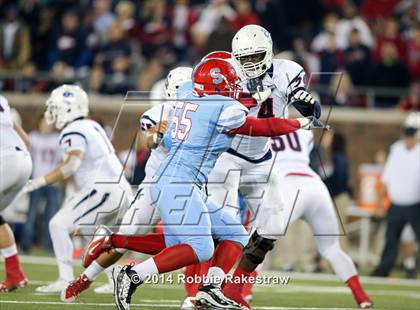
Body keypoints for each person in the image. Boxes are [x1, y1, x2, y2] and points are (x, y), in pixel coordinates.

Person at [82, 58, 319, 310]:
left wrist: (258, 96)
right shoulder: (221, 110)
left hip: (178, 181)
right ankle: (131, 277)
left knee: (235, 233)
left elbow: (237, 102)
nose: (235, 86)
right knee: (201, 247)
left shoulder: (188, 95)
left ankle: (210, 289)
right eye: (229, 83)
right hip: (177, 185)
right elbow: (260, 127)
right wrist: (300, 123)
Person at [204, 24, 323, 307]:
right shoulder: (226, 72)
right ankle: (207, 289)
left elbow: (312, 111)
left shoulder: (287, 70)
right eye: (244, 59)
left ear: (269, 52)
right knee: (226, 228)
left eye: (256, 57)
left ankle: (232, 292)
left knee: (272, 226)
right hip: (226, 156)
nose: (249, 64)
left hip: (262, 161)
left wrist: (306, 103)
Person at [61, 66, 194, 300]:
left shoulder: (203, 112)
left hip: (186, 186)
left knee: (189, 242)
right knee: (129, 235)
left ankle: (198, 291)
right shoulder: (159, 112)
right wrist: (156, 134)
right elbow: (148, 141)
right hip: (156, 184)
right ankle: (84, 280)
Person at [225, 130, 373, 309]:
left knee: (259, 239)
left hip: (287, 184)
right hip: (314, 185)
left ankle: (243, 291)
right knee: (332, 248)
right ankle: (362, 297)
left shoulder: (261, 131)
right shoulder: (304, 133)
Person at [19, 84, 133, 293]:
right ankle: (114, 279)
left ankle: (65, 278)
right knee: (93, 235)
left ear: (68, 108)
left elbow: (72, 165)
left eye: (56, 107)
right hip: (119, 190)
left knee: (57, 224)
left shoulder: (74, 129)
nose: (52, 112)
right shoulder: (92, 125)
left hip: (103, 190)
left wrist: (37, 182)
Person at [372, 112, 420, 277]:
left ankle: (410, 267)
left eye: (411, 133)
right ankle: (383, 270)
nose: (408, 137)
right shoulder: (396, 149)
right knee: (390, 240)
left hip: (415, 204)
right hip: (396, 204)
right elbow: (387, 177)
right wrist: (379, 203)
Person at [0, 95, 32, 292]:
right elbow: (27, 141)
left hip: (6, 160)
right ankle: (15, 273)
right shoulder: (2, 100)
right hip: (25, 161)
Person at [21, 118, 61, 252]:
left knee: (51, 217)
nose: (46, 125)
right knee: (31, 214)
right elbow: (26, 158)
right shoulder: (33, 137)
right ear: (39, 123)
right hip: (37, 181)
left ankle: (49, 246)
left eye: (49, 123)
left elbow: (63, 161)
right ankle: (26, 245)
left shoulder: (58, 138)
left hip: (53, 183)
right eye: (44, 122)